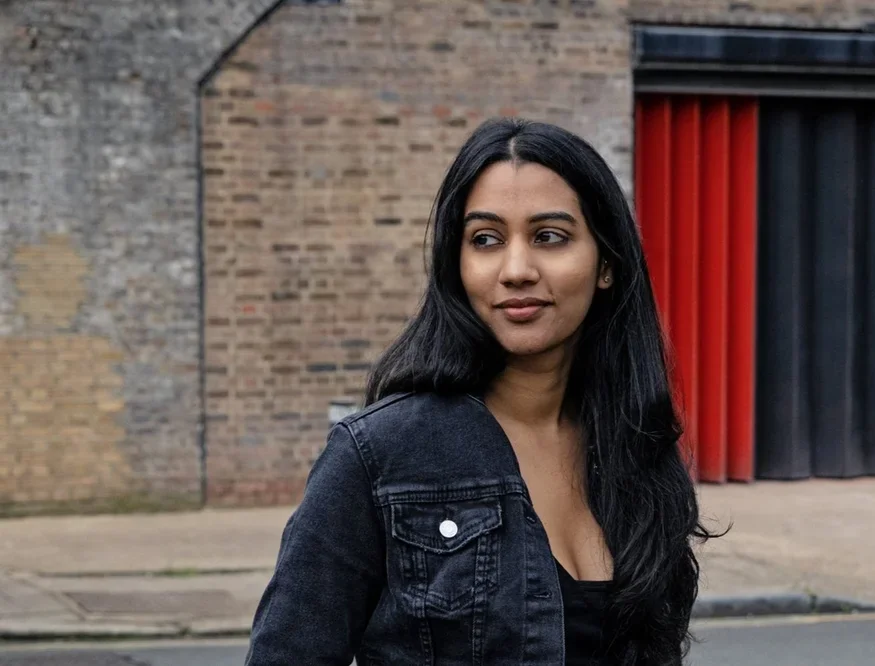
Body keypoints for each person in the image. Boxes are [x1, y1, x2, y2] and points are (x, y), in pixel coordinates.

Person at [244, 118, 714, 666]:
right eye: (486, 239)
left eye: (550, 237)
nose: (516, 270)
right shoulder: (378, 455)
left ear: (606, 263)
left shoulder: (635, 450)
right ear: (457, 264)